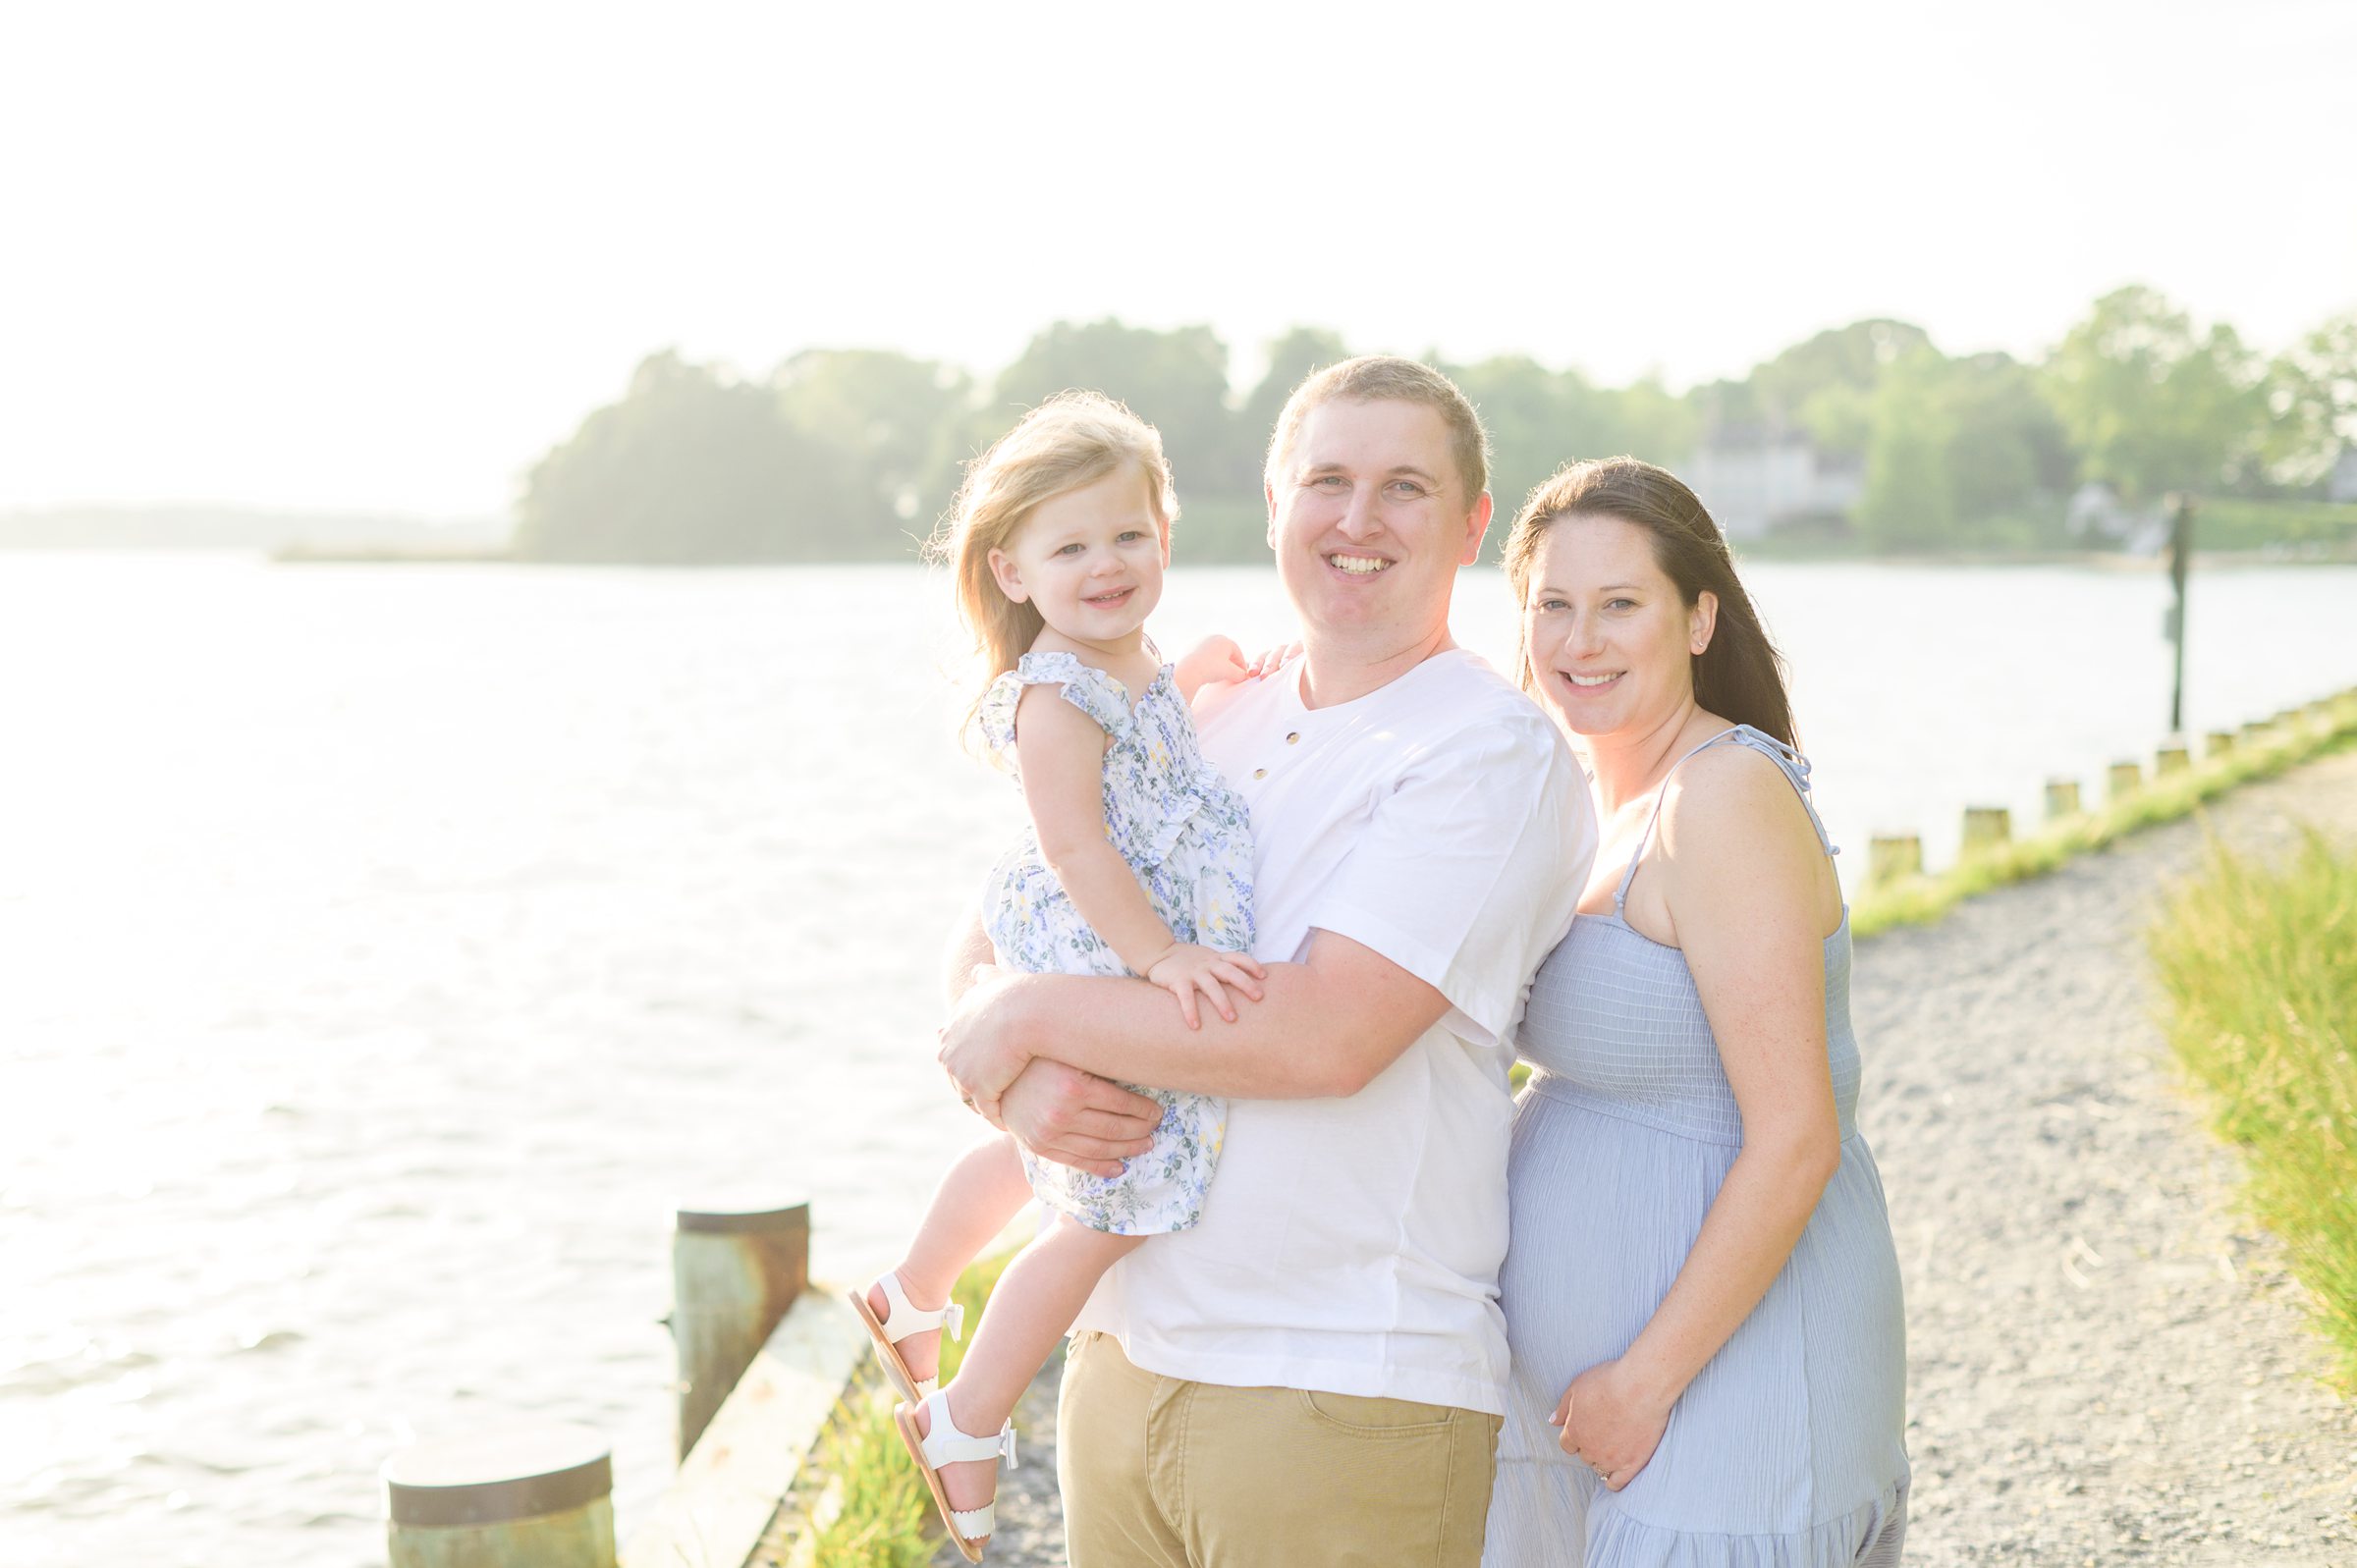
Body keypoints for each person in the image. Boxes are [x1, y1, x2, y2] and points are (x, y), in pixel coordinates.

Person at [939, 356, 1598, 1567]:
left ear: (1470, 524)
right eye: (1328, 480)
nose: (1358, 519)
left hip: (1338, 1383)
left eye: (1404, 486)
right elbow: (1020, 908)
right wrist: (1015, 1067)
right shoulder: (1201, 706)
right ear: (1275, 500)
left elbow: (1323, 1037)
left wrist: (1030, 1012)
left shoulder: (1486, 750)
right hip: (1122, 1360)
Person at [849, 392, 1271, 1561]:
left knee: (1059, 1149)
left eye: (1129, 535)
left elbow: (1147, 763)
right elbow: (1080, 843)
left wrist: (1199, 676)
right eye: (1071, 545)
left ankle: (914, 1288)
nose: (1107, 564)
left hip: (1101, 937)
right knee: (1112, 1197)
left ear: (1167, 538)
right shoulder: (1055, 692)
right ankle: (965, 1418)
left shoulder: (1126, 664)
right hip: (1097, 941)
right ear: (1014, 568)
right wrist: (1161, 957)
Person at [1485, 457, 1909, 1565]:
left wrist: (1642, 1380)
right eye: (1554, 606)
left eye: (1621, 604)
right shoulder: (1591, 800)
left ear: (1699, 616)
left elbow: (1797, 1137)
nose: (1582, 640)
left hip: (1732, 1398)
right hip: (1627, 1411)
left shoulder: (1721, 798)